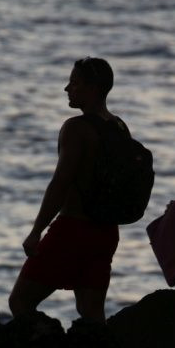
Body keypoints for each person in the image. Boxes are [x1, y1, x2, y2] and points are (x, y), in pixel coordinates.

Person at [9, 57, 125, 323]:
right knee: (91, 312)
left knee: (20, 301)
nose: (67, 88)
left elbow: (60, 183)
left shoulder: (76, 128)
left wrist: (36, 231)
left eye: (74, 82)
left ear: (93, 88)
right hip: (106, 233)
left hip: (73, 229)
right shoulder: (118, 126)